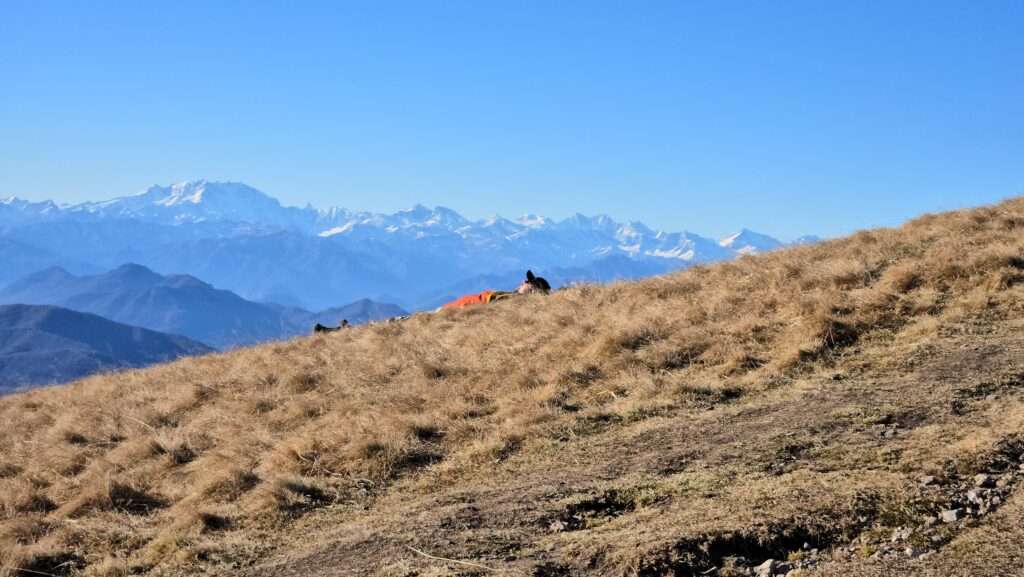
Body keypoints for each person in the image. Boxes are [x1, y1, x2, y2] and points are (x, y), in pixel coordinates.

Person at [440, 270, 551, 311]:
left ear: (532, 290)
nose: (523, 281)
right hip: (457, 305)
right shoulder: (512, 297)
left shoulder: (511, 300)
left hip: (456, 307)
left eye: (527, 282)